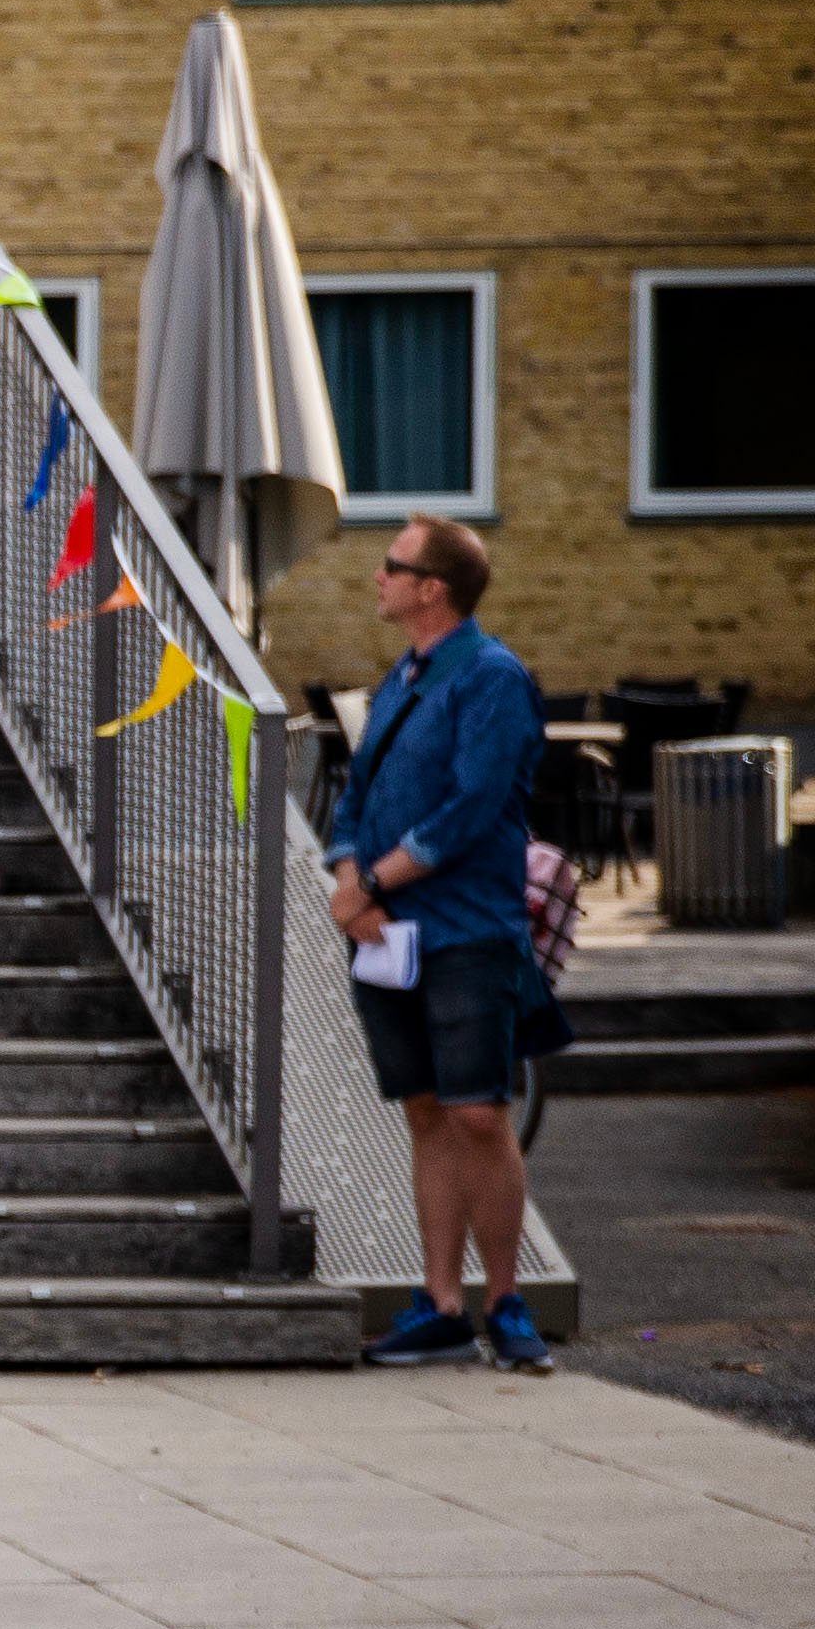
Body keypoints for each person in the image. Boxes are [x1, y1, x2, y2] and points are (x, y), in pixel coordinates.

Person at [328, 515, 555, 1373]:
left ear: (434, 588)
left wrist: (373, 883)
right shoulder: (403, 677)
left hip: (466, 932)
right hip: (390, 936)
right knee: (425, 1114)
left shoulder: (491, 678)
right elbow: (359, 793)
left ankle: (506, 1302)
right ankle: (441, 1303)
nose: (377, 576)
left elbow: (469, 809)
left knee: (476, 1114)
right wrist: (348, 877)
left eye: (393, 565)